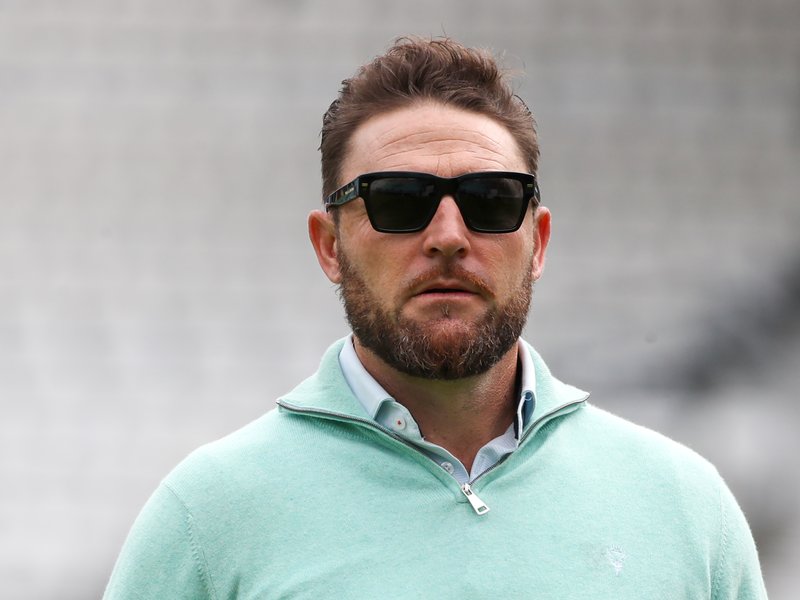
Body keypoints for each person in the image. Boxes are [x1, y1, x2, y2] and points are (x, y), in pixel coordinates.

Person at [104, 37, 767, 599]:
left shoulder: (685, 508)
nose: (448, 236)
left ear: (538, 243)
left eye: (490, 199)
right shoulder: (207, 518)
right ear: (329, 246)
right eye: (399, 200)